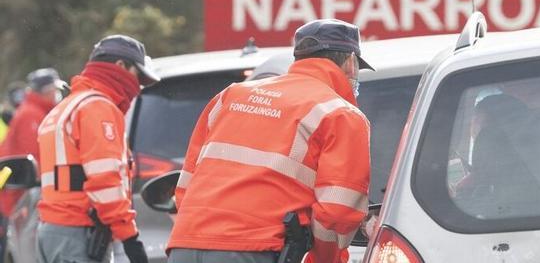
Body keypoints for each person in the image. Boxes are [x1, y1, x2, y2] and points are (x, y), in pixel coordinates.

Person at [167, 19, 372, 263]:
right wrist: (325, 259)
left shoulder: (230, 96)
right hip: (258, 250)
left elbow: (186, 185)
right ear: (350, 61)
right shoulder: (341, 114)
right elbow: (338, 212)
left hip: (185, 246)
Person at [36, 35, 159, 263]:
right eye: (137, 75)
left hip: (52, 231)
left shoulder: (65, 108)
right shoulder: (98, 108)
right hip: (79, 234)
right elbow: (105, 182)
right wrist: (130, 238)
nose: (138, 85)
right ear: (121, 66)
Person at [0, 69, 67, 219]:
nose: (57, 95)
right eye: (55, 90)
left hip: (21, 194)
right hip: (20, 196)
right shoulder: (31, 115)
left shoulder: (35, 112)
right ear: (46, 91)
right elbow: (37, 158)